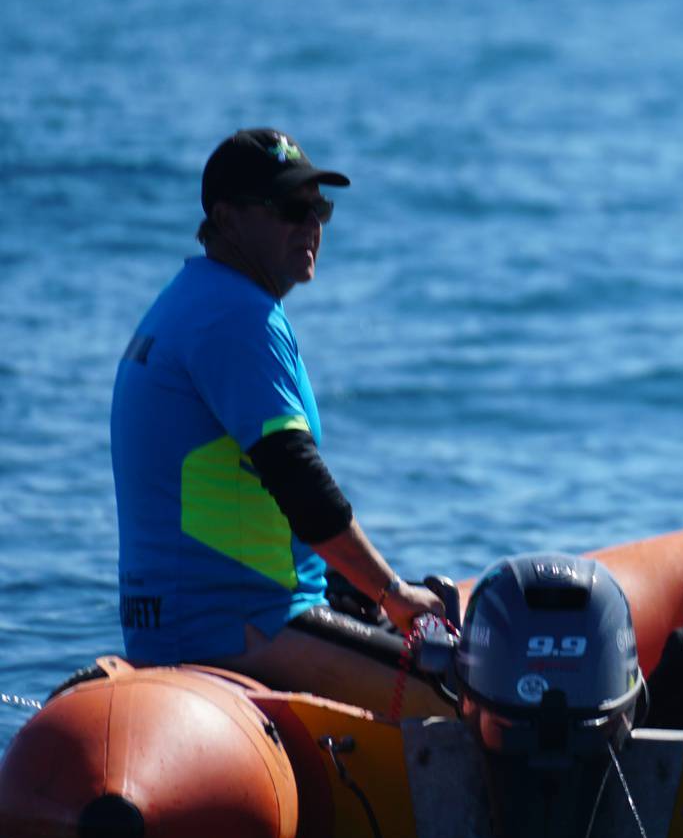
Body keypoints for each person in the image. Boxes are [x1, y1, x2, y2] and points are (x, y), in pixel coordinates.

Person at [110, 128, 451, 716]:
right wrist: (390, 594)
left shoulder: (187, 299)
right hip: (239, 623)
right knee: (471, 699)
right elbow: (297, 480)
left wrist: (357, 592)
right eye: (292, 209)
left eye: (319, 209)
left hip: (175, 620)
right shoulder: (238, 316)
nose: (311, 225)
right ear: (227, 219)